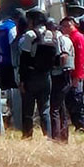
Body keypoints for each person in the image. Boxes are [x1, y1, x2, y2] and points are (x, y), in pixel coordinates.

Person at [18, 9, 59, 138]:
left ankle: (27, 136)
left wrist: (22, 80)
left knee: (28, 110)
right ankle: (48, 136)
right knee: (45, 109)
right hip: (47, 76)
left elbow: (24, 59)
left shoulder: (30, 35)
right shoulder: (52, 35)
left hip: (31, 76)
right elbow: (56, 58)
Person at [61, 16, 84, 132]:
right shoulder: (69, 38)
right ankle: (81, 124)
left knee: (76, 101)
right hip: (72, 74)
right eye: (64, 26)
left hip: (76, 75)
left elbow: (81, 58)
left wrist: (78, 76)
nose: (66, 28)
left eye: (68, 26)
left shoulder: (77, 38)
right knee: (73, 101)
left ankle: (81, 126)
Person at [48, 18, 73, 142]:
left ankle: (56, 137)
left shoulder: (60, 39)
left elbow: (64, 57)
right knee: (61, 107)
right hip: (64, 75)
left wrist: (53, 64)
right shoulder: (63, 39)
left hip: (61, 76)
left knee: (54, 108)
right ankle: (64, 137)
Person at [0, 11, 20, 89]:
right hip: (10, 62)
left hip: (0, 61)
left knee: (3, 86)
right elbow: (14, 45)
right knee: (11, 87)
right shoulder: (12, 28)